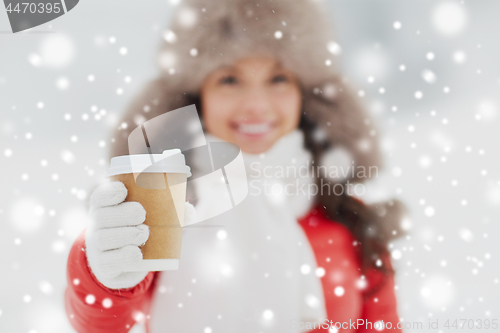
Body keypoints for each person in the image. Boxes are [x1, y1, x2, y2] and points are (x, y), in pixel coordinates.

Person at [64, 0, 409, 332]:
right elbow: (103, 324)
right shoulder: (158, 208)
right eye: (229, 80)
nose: (256, 105)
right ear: (198, 96)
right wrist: (102, 269)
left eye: (279, 79)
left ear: (307, 94)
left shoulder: (350, 223)